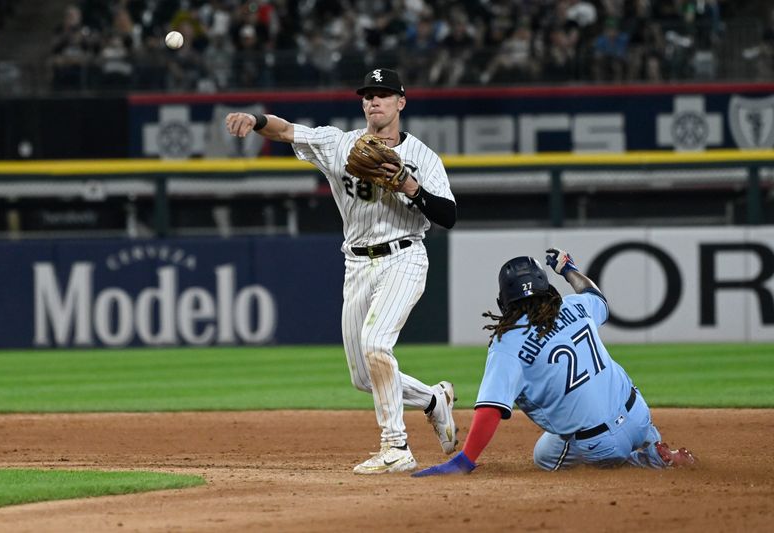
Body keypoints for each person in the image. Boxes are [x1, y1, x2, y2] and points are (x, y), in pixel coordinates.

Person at [225, 68, 458, 474]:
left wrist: (411, 189)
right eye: (368, 94)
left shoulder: (422, 157)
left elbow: (449, 215)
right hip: (356, 265)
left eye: (384, 94)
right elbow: (286, 131)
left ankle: (396, 446)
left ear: (401, 102)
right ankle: (434, 400)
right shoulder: (339, 144)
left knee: (376, 344)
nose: (374, 101)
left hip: (404, 257)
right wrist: (257, 119)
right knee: (364, 377)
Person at [413, 248, 695, 477]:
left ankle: (646, 461)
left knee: (544, 456)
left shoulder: (507, 342)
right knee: (609, 420)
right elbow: (597, 297)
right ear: (545, 288)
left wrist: (465, 460)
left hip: (601, 443)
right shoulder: (575, 306)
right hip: (639, 415)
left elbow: (490, 409)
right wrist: (569, 270)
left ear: (504, 301)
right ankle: (651, 442)